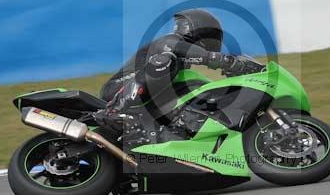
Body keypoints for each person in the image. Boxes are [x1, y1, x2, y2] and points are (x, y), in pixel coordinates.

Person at [95, 9, 261, 126]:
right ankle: (116, 110)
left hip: (144, 101)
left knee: (196, 84)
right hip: (117, 90)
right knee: (167, 61)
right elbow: (178, 49)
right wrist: (224, 60)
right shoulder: (169, 42)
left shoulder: (180, 62)